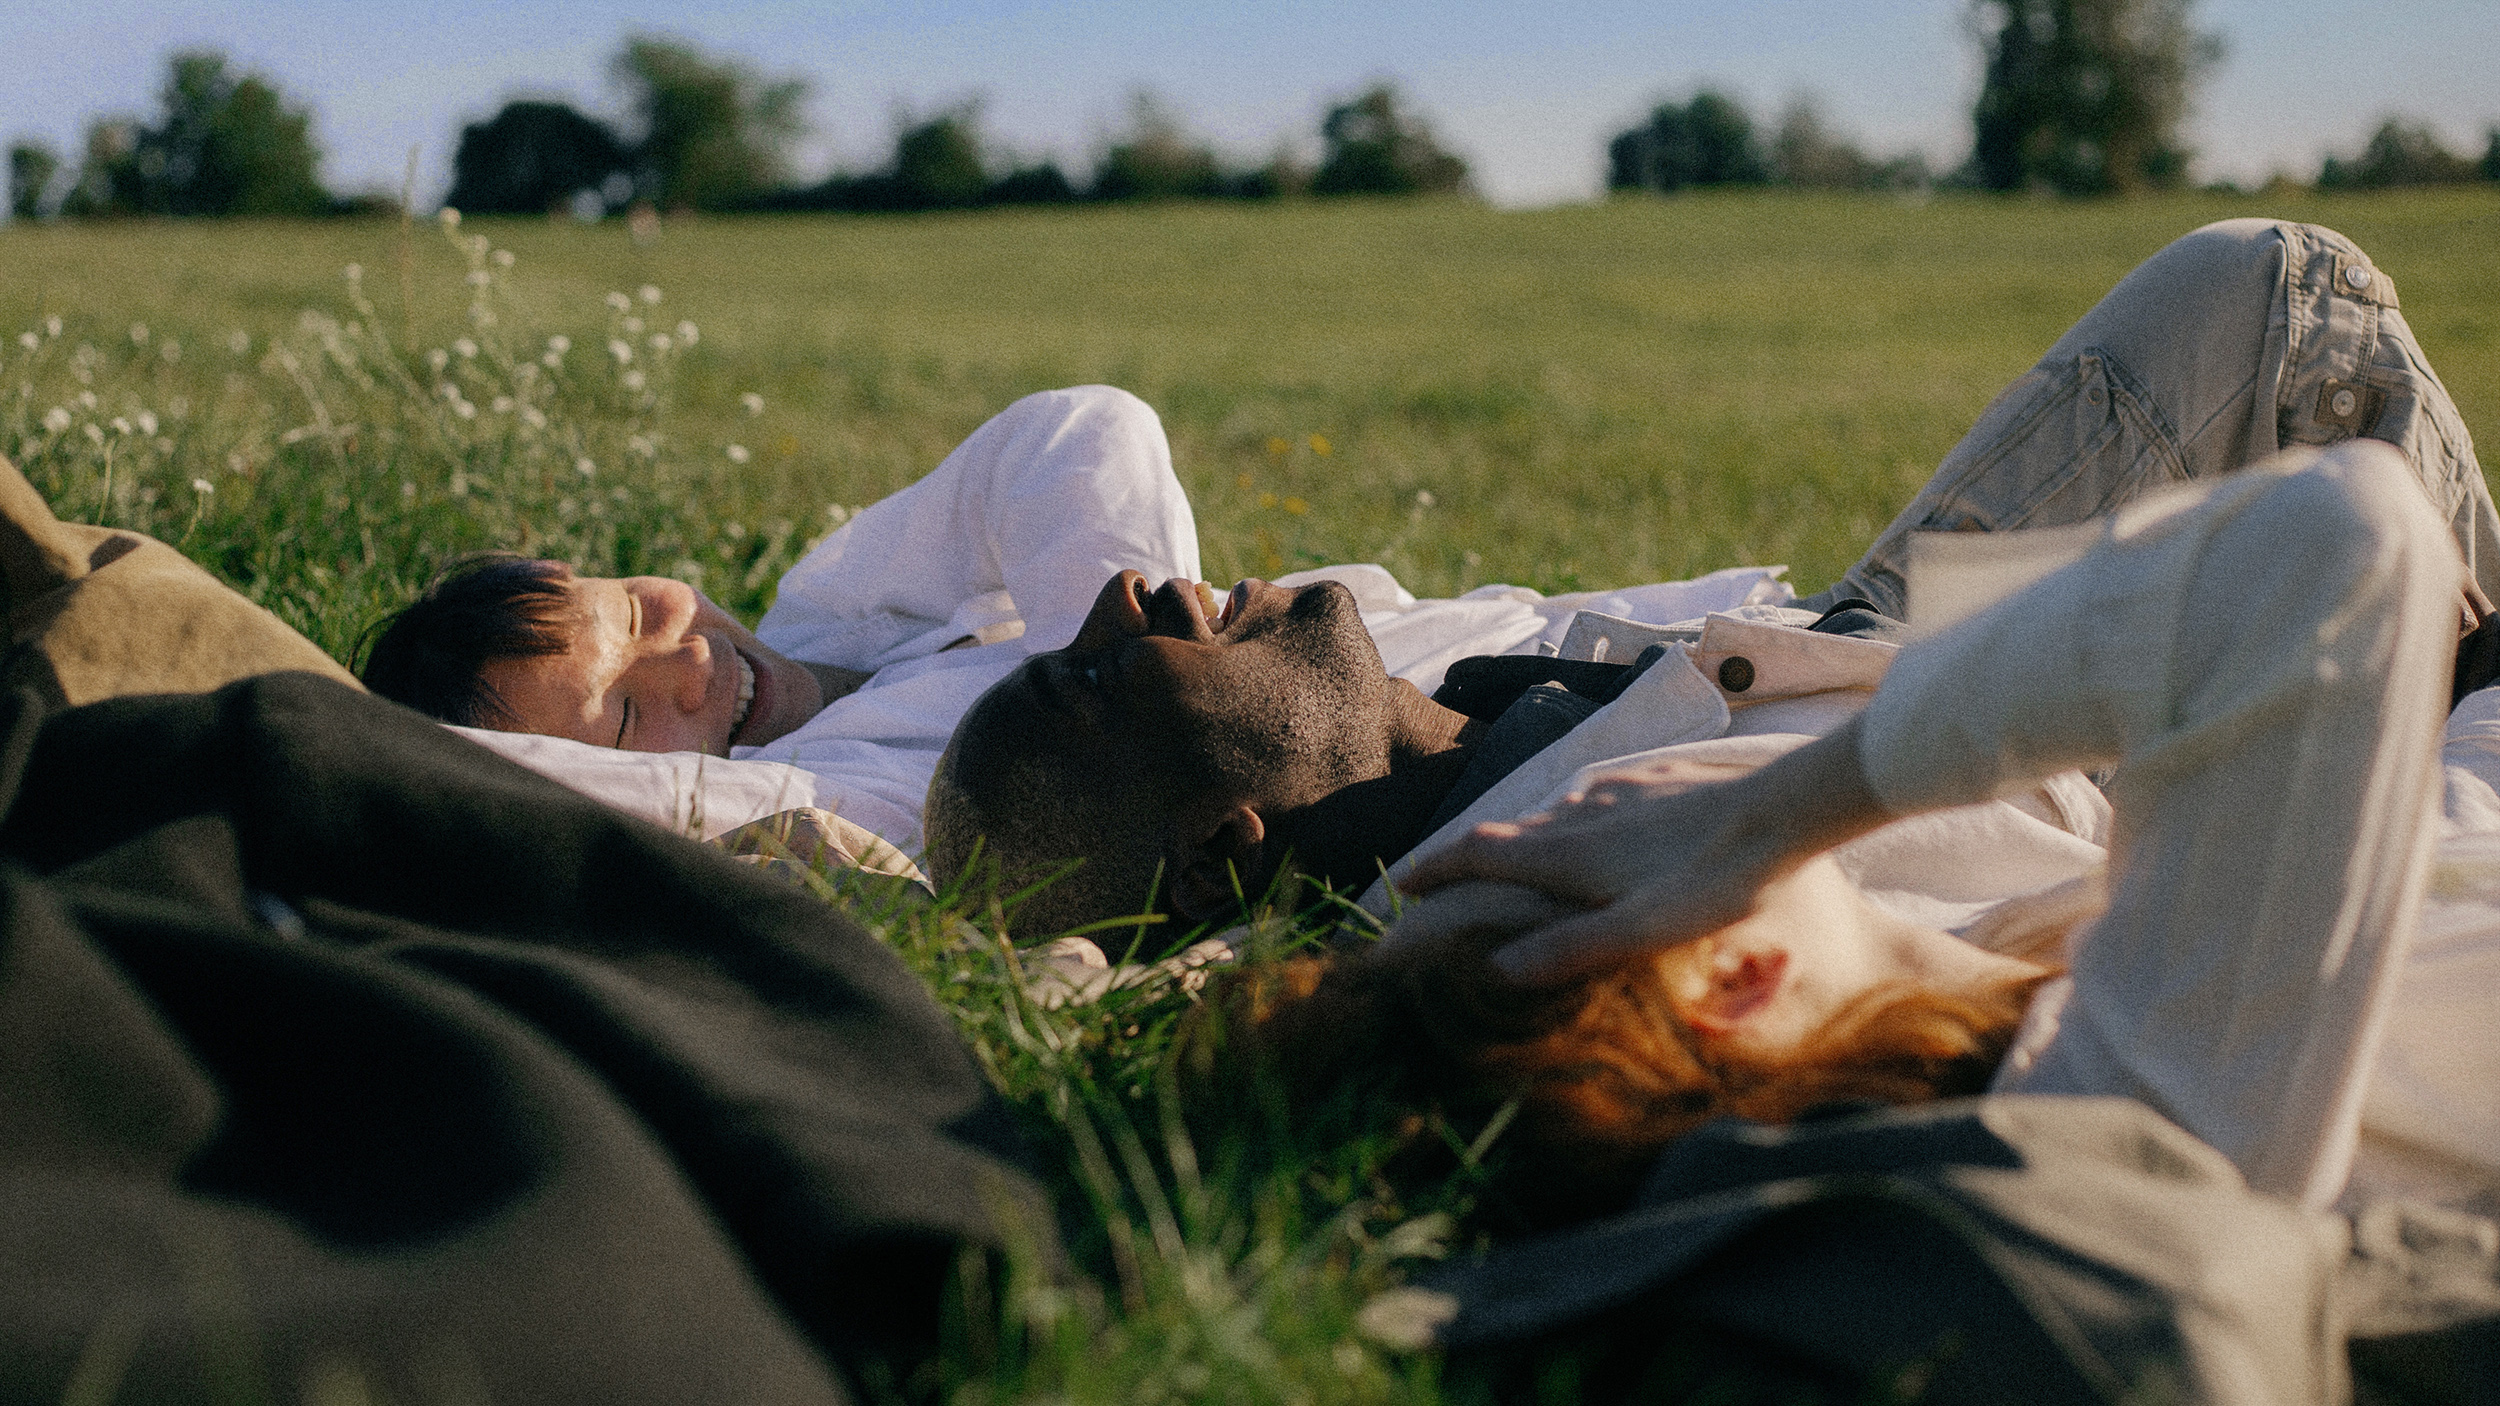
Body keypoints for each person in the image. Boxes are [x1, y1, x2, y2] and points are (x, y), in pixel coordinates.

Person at [925, 218, 2497, 1210]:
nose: (1123, 597)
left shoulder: (2036, 1021)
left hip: (1875, 649)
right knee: (2280, 307)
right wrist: (1764, 812)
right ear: (1734, 972)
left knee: (2261, 294)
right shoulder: (2152, 1107)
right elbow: (2336, 558)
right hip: (2000, 709)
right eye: (1087, 676)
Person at [362, 390, 1790, 854]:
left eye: (640, 611)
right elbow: (516, 785)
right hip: (1554, 741)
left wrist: (1132, 659)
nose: (686, 665)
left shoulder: (836, 603)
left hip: (1559, 633)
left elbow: (1075, 432)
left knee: (1861, 608)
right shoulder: (831, 796)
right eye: (625, 714)